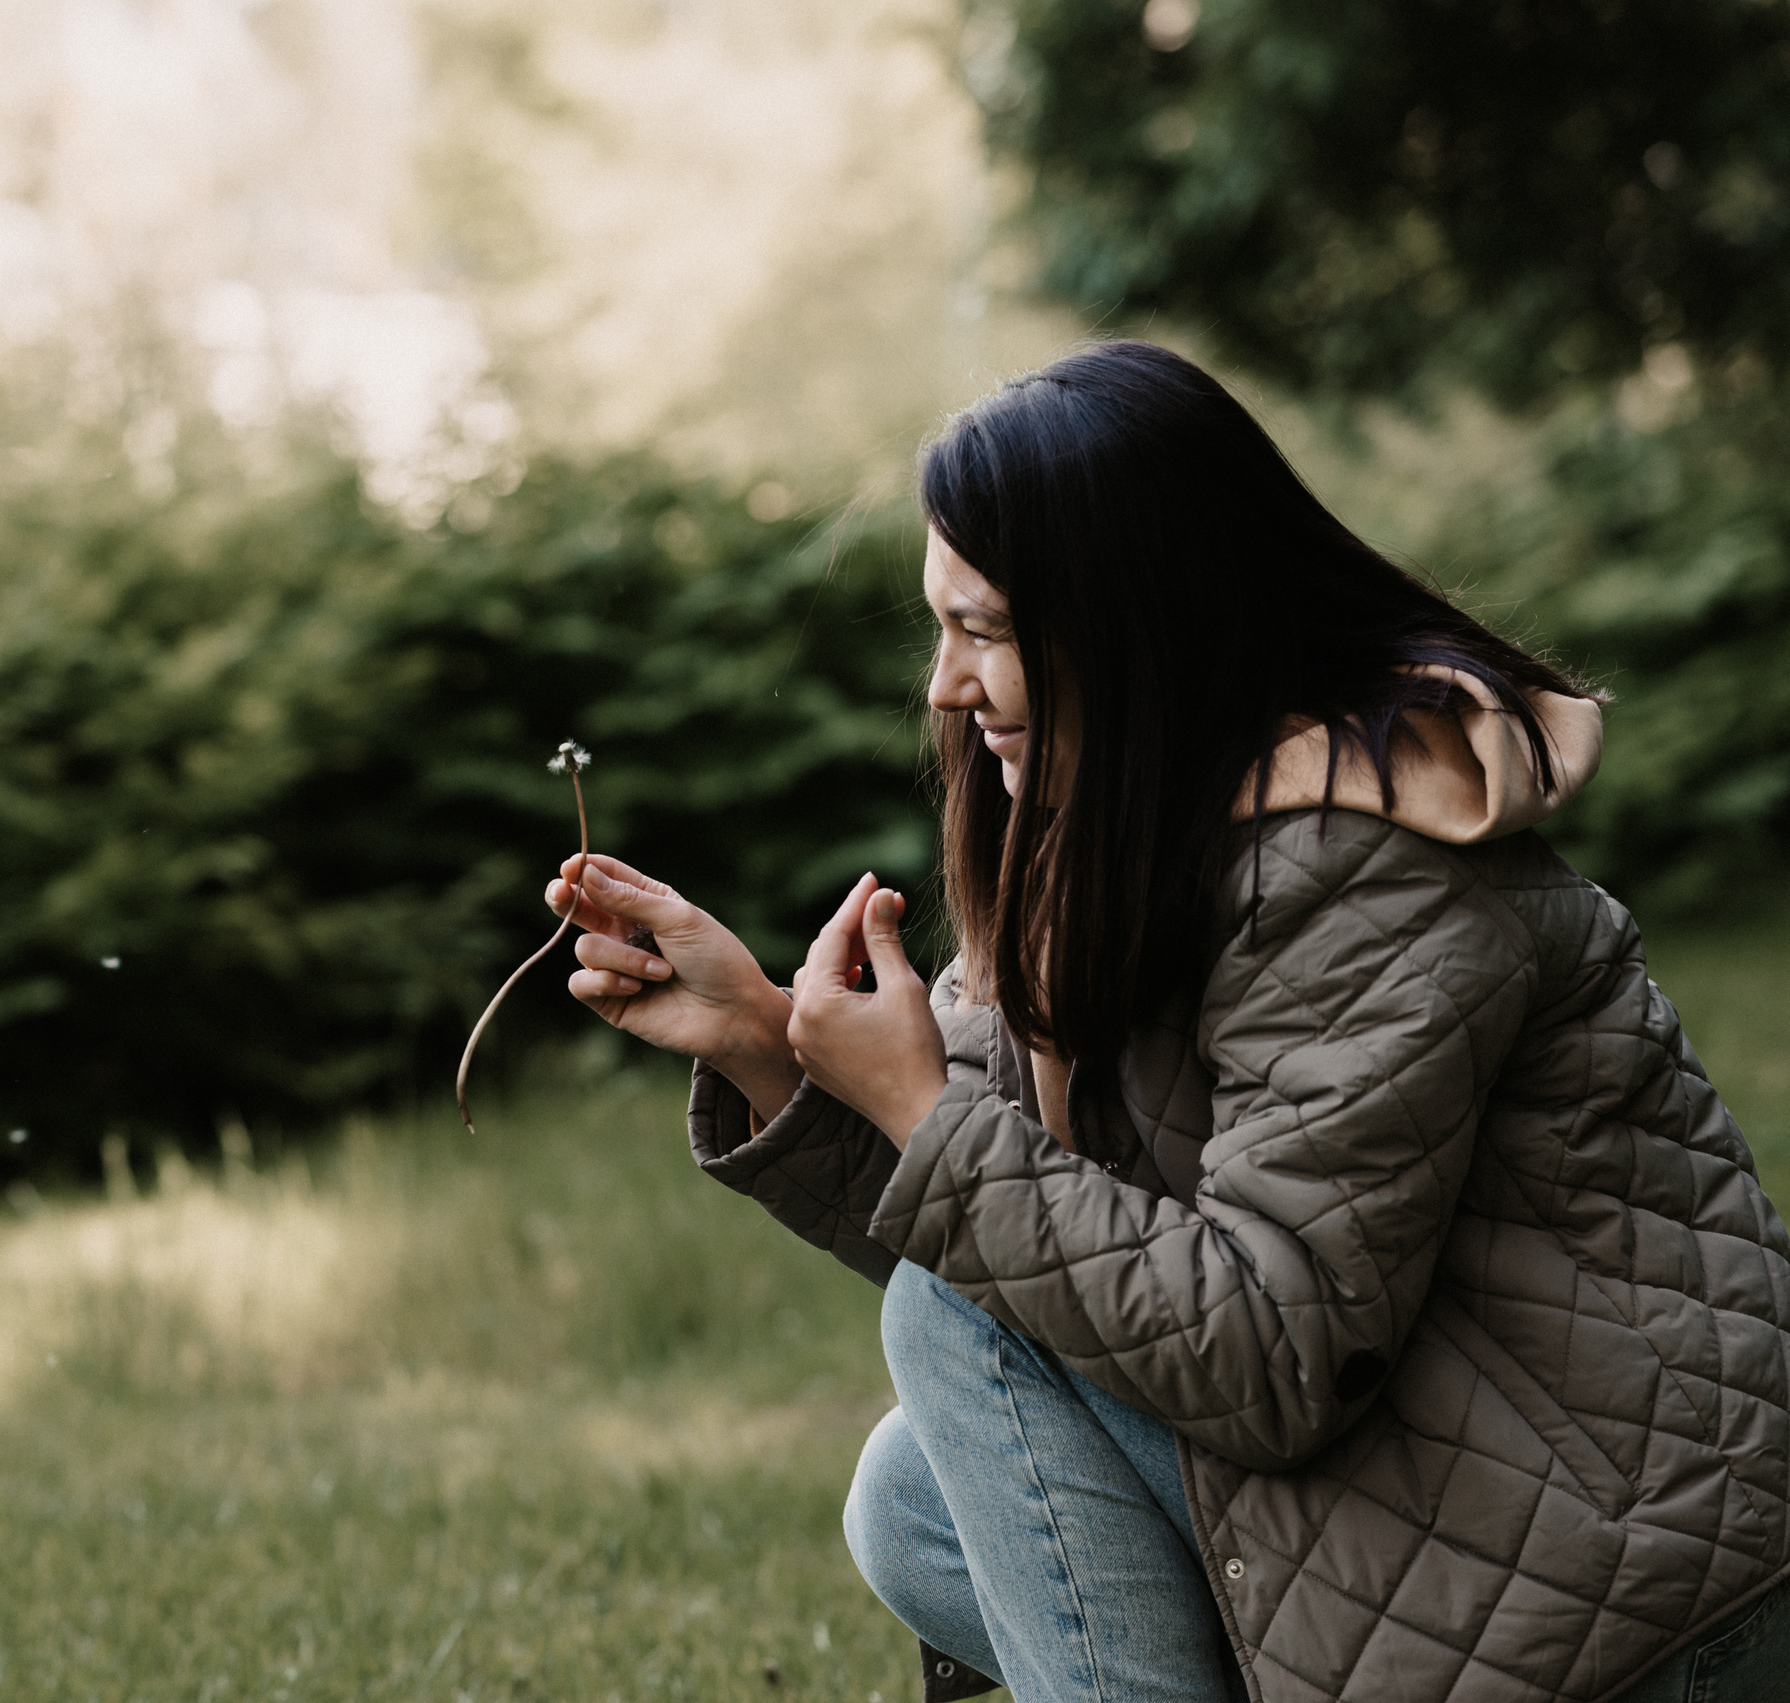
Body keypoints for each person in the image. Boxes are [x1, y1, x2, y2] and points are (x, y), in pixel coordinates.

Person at [545, 342, 1790, 1703]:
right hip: (1438, 1486)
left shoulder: (1365, 867)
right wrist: (764, 1035)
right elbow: (1040, 1217)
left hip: (1636, 1588)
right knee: (910, 1490)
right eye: (941, 626)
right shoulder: (1122, 821)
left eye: (988, 629)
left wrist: (919, 1109)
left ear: (1133, 620)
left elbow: (1273, 1350)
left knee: (953, 1317)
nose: (946, 685)